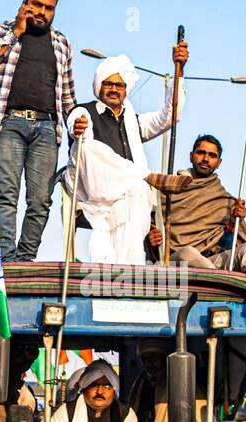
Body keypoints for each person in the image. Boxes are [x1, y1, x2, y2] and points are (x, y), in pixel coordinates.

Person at [0, 0, 76, 262]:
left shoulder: (62, 43)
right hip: (9, 124)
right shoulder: (2, 30)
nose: (42, 12)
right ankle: (5, 261)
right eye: (37, 5)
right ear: (24, 4)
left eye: (49, 8)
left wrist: (76, 122)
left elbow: (68, 95)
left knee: (41, 201)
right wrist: (16, 33)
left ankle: (24, 259)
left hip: (47, 128)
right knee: (6, 195)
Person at [64, 46, 191, 263]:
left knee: (139, 191)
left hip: (123, 190)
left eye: (119, 85)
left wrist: (179, 72)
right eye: (108, 84)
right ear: (99, 86)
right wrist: (78, 127)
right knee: (87, 146)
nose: (114, 89)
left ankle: (126, 269)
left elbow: (169, 116)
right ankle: (148, 176)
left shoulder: (133, 121)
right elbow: (75, 119)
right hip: (89, 185)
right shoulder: (86, 110)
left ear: (126, 89)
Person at [153, 133, 246, 311]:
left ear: (219, 162)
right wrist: (152, 235)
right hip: (178, 262)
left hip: (212, 263)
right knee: (188, 253)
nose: (206, 159)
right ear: (191, 156)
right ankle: (228, 288)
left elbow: (232, 243)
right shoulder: (168, 191)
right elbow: (148, 225)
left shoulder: (225, 201)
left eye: (212, 155)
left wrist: (233, 222)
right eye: (201, 153)